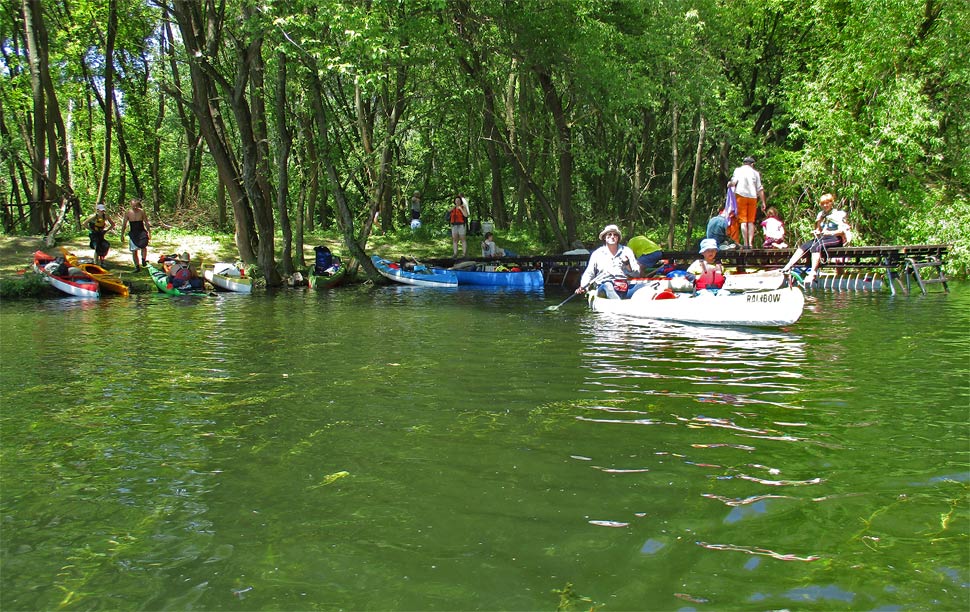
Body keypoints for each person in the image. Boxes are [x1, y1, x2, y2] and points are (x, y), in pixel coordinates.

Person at [781, 193, 850, 285]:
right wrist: (817, 232)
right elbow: (818, 229)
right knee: (805, 246)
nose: (825, 205)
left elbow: (843, 230)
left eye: (827, 203)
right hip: (823, 238)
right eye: (823, 204)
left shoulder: (838, 214)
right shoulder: (820, 215)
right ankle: (788, 266)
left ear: (831, 203)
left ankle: (812, 273)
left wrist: (830, 232)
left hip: (835, 238)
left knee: (816, 247)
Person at [574, 224, 641, 299]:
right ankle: (618, 305)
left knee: (644, 286)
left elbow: (637, 274)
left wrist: (627, 265)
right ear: (605, 238)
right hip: (603, 286)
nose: (612, 237)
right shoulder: (597, 253)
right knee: (608, 285)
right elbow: (589, 273)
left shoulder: (627, 251)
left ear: (618, 238)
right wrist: (583, 286)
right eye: (609, 234)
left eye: (615, 235)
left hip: (623, 287)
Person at [727, 156, 767, 249]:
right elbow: (760, 188)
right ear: (752, 164)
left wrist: (730, 184)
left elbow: (734, 182)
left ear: (744, 163)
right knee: (751, 221)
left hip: (741, 196)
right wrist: (763, 202)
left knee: (743, 221)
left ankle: (745, 243)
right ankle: (750, 243)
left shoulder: (738, 170)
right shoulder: (755, 173)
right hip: (752, 197)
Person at [119, 197, 151, 271]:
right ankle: (137, 267)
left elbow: (146, 222)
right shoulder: (128, 213)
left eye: (136, 205)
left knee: (144, 246)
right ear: (131, 205)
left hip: (141, 231)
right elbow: (124, 224)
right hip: (133, 232)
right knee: (134, 251)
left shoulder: (142, 212)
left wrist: (149, 232)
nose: (135, 207)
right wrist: (122, 235)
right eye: (133, 205)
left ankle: (143, 260)